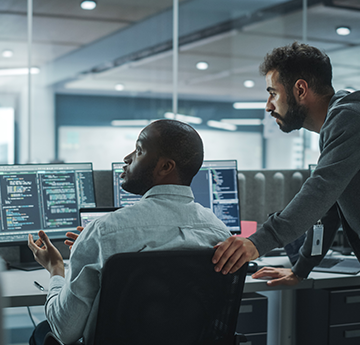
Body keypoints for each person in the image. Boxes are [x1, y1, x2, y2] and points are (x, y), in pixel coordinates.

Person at [27, 119, 232, 345]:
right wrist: (87, 250)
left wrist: (56, 269)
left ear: (166, 167)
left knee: (42, 331)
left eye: (140, 150)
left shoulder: (103, 232)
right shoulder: (220, 233)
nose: (127, 157)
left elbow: (64, 331)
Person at [212, 42, 360, 285]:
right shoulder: (340, 120)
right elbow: (329, 207)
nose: (269, 106)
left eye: (273, 93)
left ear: (300, 89)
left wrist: (256, 243)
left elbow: (319, 191)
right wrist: (301, 269)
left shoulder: (349, 119)